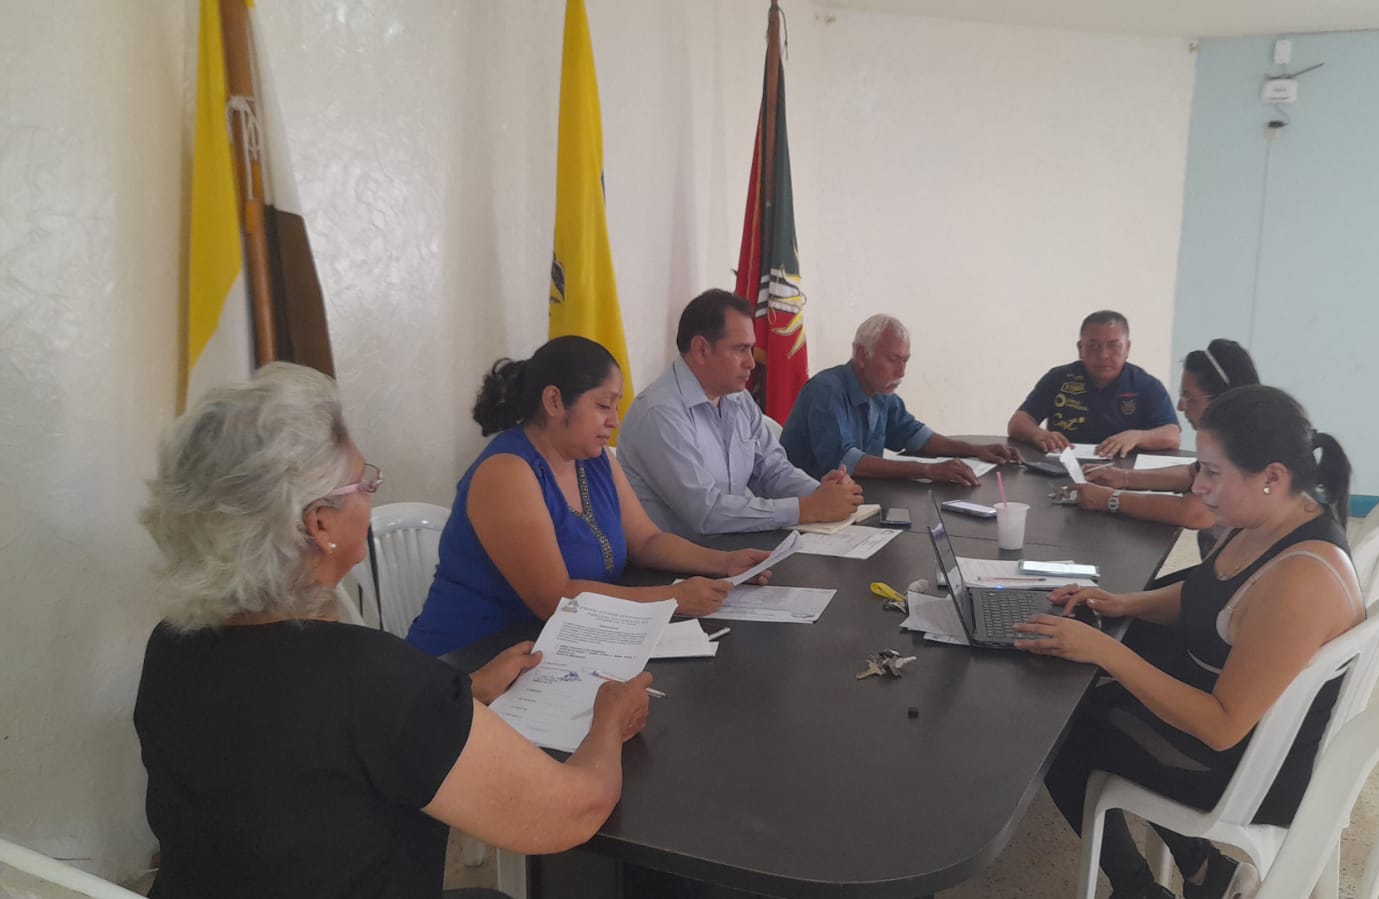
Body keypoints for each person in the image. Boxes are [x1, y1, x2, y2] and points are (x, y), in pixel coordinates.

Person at [133, 363, 654, 899]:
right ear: (320, 523)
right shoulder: (369, 677)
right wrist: (609, 720)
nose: (371, 493)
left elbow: (304, 747)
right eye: (365, 482)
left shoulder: (170, 646)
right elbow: (571, 812)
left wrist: (462, 692)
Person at [1013, 385, 1360, 899]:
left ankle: (1141, 888)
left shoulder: (1300, 581)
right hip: (1240, 724)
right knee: (1092, 690)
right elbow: (1209, 593)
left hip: (1251, 767)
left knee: (1058, 733)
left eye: (1213, 473)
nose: (1199, 487)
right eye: (1200, 469)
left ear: (1272, 477)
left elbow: (1221, 726)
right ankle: (1206, 873)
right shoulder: (1269, 519)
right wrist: (1123, 603)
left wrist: (1106, 649)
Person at [406, 337, 771, 656]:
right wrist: (673, 599)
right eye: (603, 405)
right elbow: (554, 598)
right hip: (469, 664)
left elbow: (647, 540)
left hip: (555, 646)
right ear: (554, 401)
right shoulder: (507, 472)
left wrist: (724, 563)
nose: (614, 420)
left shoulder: (593, 459)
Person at [617, 289, 863, 538]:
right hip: (678, 558)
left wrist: (825, 494)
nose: (751, 363)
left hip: (729, 546)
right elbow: (706, 513)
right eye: (740, 349)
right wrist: (805, 508)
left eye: (751, 349)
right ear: (701, 349)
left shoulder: (738, 399)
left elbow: (772, 471)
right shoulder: (660, 413)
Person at [1073, 339, 1261, 557]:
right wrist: (1123, 477)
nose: (1180, 406)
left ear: (1221, 399)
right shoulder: (1233, 434)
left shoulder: (1243, 446)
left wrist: (1111, 499)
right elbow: (1191, 473)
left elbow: (1194, 513)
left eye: (1189, 398)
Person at [781, 314, 1019, 484]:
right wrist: (927, 470)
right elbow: (844, 462)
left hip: (856, 500)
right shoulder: (827, 390)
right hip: (808, 509)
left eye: (905, 360)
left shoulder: (881, 393)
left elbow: (918, 437)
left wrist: (976, 450)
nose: (902, 372)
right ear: (862, 356)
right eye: (893, 360)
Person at [1007, 310, 1180, 458]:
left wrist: (1136, 437)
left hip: (1124, 473)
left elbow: (1172, 435)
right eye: (1093, 346)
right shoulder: (1058, 378)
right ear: (1080, 349)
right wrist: (1038, 434)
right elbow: (1018, 422)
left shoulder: (1145, 385)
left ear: (1127, 348)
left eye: (1113, 346)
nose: (1103, 355)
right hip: (1064, 467)